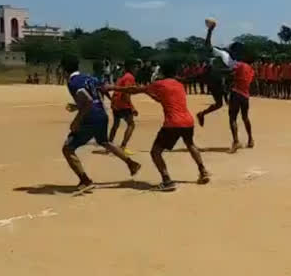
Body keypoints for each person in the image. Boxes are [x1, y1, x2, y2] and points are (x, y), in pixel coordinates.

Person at [109, 59, 210, 191]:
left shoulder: (160, 83)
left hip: (172, 123)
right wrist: (147, 92)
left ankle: (167, 180)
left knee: (155, 152)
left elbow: (133, 89)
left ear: (162, 71)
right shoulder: (179, 83)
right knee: (190, 145)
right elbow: (160, 99)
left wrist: (113, 87)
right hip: (188, 121)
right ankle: (203, 171)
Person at [61, 55, 141, 193]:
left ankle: (85, 181)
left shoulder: (73, 82)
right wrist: (77, 106)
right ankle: (131, 163)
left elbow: (87, 101)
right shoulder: (89, 78)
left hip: (90, 117)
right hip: (101, 114)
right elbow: (103, 89)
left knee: (67, 149)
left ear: (63, 69)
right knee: (104, 142)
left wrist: (76, 121)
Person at [205, 19, 256, 153]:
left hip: (236, 92)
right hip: (245, 94)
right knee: (245, 117)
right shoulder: (249, 68)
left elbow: (231, 72)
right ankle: (251, 139)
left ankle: (236, 141)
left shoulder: (234, 63)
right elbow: (209, 47)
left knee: (232, 118)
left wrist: (217, 72)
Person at [108, 59, 139, 154]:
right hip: (122, 104)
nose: (137, 69)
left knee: (115, 125)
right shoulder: (129, 77)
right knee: (131, 124)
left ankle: (108, 146)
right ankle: (123, 146)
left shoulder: (122, 76)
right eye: (136, 67)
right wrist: (132, 107)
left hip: (115, 102)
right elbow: (126, 93)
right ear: (131, 67)